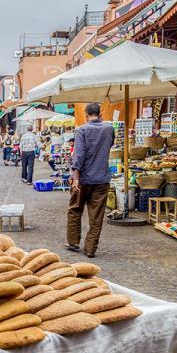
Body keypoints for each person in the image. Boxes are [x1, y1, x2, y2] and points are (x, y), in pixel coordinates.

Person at [67, 102, 114, 258]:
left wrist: (75, 178)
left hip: (83, 179)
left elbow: (78, 155)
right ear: (100, 114)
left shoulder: (81, 130)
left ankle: (73, 242)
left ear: (86, 114)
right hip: (101, 178)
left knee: (75, 210)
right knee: (97, 216)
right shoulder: (109, 128)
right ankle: (90, 249)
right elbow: (110, 145)